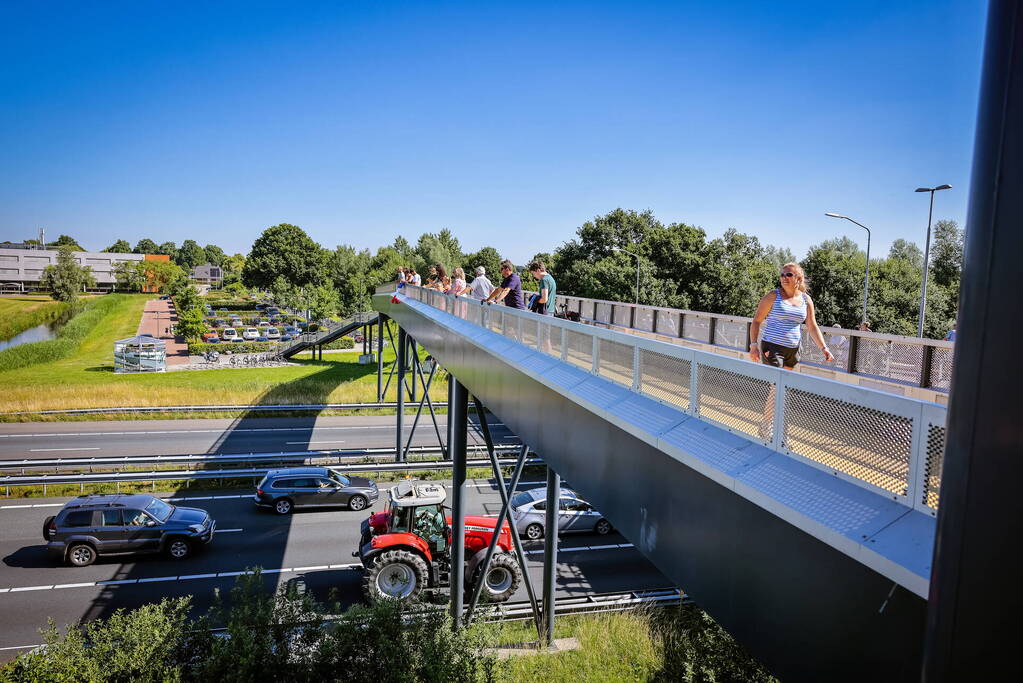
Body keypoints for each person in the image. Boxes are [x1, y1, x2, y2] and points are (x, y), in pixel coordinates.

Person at [749, 263, 834, 369]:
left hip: (793, 350)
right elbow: (756, 321)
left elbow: (812, 326)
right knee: (774, 380)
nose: (784, 277)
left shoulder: (806, 300)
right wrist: (753, 345)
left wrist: (824, 348)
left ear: (798, 278)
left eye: (788, 274)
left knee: (784, 382)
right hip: (772, 346)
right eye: (782, 275)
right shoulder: (773, 296)